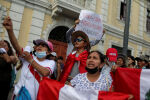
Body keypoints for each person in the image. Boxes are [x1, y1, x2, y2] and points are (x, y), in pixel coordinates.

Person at [3, 17, 55, 100]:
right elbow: (17, 47)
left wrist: (30, 60)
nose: (39, 47)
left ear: (48, 52)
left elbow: (45, 72)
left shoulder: (50, 63)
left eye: (43, 45)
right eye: (38, 45)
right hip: (17, 95)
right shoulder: (29, 56)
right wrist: (10, 31)